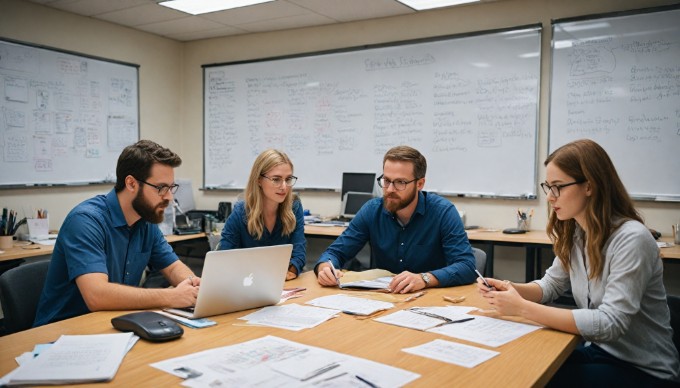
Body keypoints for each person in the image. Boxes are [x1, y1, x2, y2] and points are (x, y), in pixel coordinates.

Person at [476, 139, 679, 386]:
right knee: (516, 364)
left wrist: (521, 308)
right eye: (548, 187)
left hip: (644, 370)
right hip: (600, 351)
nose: (550, 198)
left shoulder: (632, 239)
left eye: (558, 187)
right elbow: (550, 286)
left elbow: (610, 323)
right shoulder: (578, 233)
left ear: (589, 186)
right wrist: (510, 289)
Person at [34, 140, 200, 327]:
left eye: (171, 188)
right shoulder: (86, 221)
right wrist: (172, 296)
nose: (169, 197)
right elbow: (97, 296)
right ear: (131, 184)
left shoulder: (145, 221)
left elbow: (172, 268)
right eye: (161, 188)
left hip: (114, 325)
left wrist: (192, 287)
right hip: (62, 331)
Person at [315, 145, 476, 293]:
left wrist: (424, 278)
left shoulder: (443, 212)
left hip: (429, 300)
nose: (390, 189)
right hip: (383, 300)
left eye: (400, 182)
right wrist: (326, 269)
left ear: (420, 184)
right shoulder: (372, 210)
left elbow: (467, 266)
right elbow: (335, 253)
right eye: (386, 181)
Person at [219, 149, 306, 280]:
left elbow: (299, 252)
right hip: (248, 284)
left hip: (283, 283)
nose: (284, 187)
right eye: (276, 179)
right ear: (259, 180)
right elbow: (223, 258)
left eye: (288, 179)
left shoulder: (294, 207)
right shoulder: (241, 212)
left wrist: (291, 271)